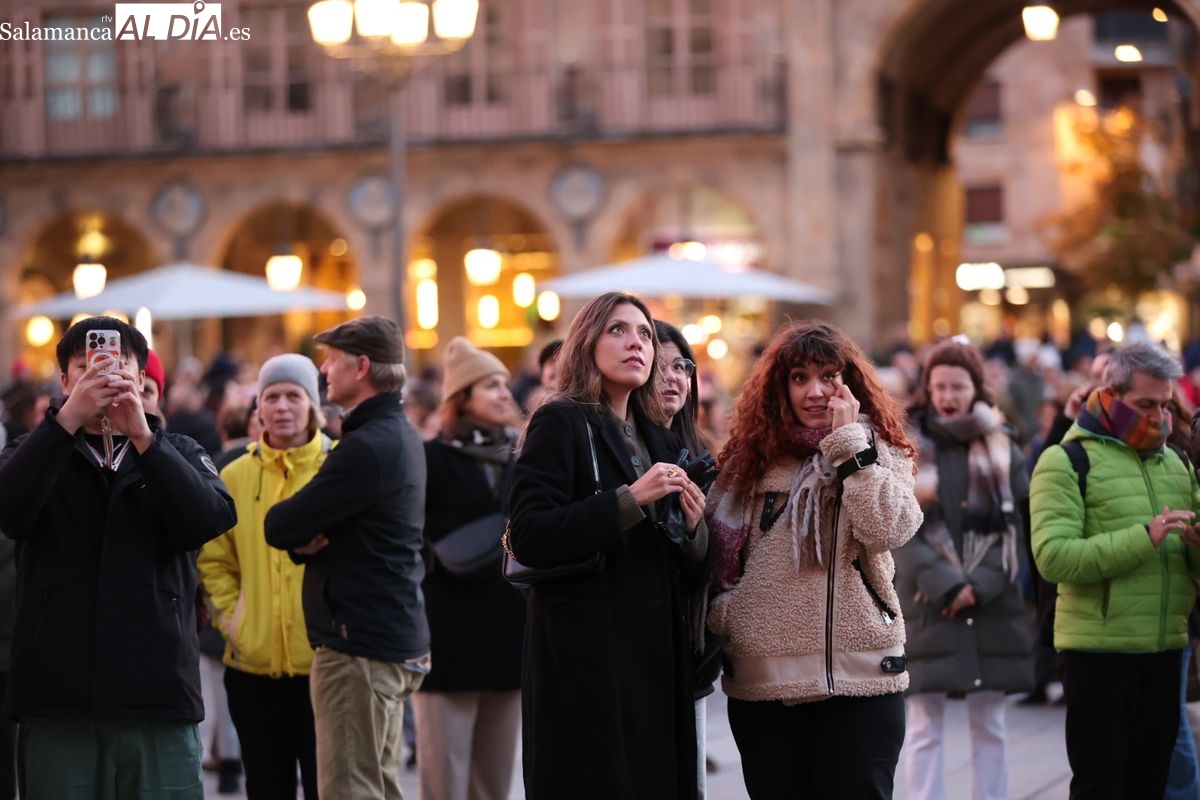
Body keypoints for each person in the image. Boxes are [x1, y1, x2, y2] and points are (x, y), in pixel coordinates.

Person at [0, 316, 236, 798]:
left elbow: (209, 519)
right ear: (64, 382)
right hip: (59, 697)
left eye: (116, 365)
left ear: (140, 378)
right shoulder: (35, 449)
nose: (101, 376)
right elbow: (9, 511)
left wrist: (145, 439)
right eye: (85, 368)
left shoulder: (178, 450)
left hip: (157, 693)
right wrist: (64, 423)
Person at [705, 319, 922, 798]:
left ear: (850, 384)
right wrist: (732, 614)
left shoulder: (878, 451)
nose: (815, 391)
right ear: (780, 388)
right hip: (765, 682)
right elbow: (715, 560)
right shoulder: (748, 462)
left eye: (828, 376)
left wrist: (850, 449)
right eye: (799, 378)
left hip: (863, 678)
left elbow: (891, 529)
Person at [507, 292, 707, 800]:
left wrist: (693, 530)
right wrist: (630, 499)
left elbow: (684, 566)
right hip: (586, 654)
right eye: (617, 330)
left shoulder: (659, 438)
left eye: (644, 335)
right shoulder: (561, 421)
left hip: (655, 657)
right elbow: (529, 533)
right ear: (587, 342)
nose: (635, 343)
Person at [264, 316, 429, 800]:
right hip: (382, 636)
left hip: (359, 647)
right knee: (377, 786)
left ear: (361, 366)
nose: (323, 370)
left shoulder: (367, 446)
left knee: (350, 789)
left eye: (331, 360)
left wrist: (304, 536)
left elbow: (279, 525)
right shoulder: (396, 433)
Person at [1032, 341, 1200, 798]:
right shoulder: (1065, 460)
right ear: (1110, 395)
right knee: (1101, 786)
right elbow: (1054, 557)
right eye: (1145, 405)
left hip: (1165, 649)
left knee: (1151, 784)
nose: (1158, 417)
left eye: (1165, 405)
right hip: (1098, 654)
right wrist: (1143, 538)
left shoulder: (1177, 462)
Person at [897, 340, 1033, 800]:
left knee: (989, 723)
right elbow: (898, 529)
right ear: (927, 388)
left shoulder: (1001, 442)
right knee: (924, 726)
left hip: (990, 601)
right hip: (926, 600)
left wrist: (979, 585)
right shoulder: (906, 443)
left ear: (976, 387)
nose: (947, 396)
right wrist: (946, 584)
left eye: (957, 386)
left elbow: (1016, 529)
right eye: (939, 387)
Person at [200, 354, 332, 799]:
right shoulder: (234, 473)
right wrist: (236, 623)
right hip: (252, 668)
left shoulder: (337, 467)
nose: (281, 407)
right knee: (265, 786)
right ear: (257, 408)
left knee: (326, 786)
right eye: (271, 397)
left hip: (324, 666)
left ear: (312, 405)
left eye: (294, 396)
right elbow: (215, 560)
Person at [413, 336, 525, 800]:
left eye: (505, 384)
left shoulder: (521, 456)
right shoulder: (430, 457)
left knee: (494, 781)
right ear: (461, 398)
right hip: (448, 639)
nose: (504, 394)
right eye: (490, 385)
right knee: (445, 779)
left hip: (509, 635)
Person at [654, 319, 719, 797]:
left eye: (681, 366)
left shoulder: (700, 452)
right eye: (660, 367)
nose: (673, 378)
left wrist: (695, 530)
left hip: (689, 650)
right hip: (633, 645)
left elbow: (706, 567)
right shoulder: (619, 448)